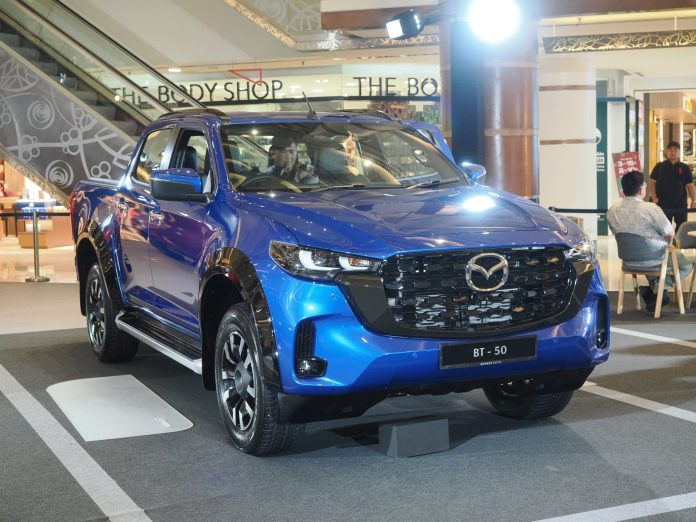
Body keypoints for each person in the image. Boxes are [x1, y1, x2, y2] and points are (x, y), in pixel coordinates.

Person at [607, 170, 693, 312]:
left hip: (628, 259)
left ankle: (654, 292)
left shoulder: (613, 210)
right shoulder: (650, 208)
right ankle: (658, 289)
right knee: (686, 264)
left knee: (652, 255)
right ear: (641, 189)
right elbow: (670, 234)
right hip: (654, 259)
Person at [649, 140, 696, 231]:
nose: (672, 152)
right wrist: (654, 197)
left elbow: (690, 186)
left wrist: (694, 200)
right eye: (670, 150)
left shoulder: (685, 168)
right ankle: (666, 241)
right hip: (663, 204)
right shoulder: (659, 166)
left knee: (682, 228)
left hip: (680, 204)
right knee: (664, 229)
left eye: (675, 150)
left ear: (679, 152)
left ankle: (678, 240)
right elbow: (652, 182)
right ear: (667, 152)